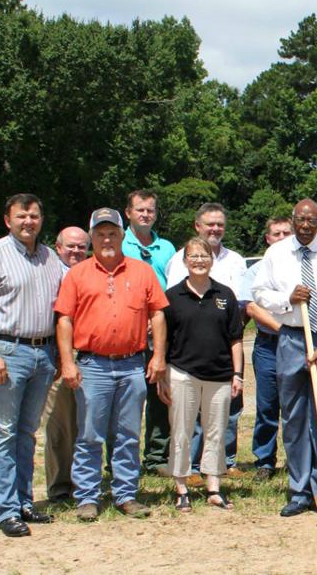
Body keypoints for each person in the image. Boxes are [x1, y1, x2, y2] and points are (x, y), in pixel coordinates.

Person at [55, 207, 169, 521]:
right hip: (93, 366)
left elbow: (158, 314)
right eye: (101, 234)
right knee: (90, 435)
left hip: (132, 365)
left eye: (113, 233)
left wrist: (158, 356)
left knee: (128, 434)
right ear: (92, 238)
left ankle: (126, 495)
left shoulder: (142, 271)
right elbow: (64, 320)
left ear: (122, 236)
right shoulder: (77, 275)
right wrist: (68, 363)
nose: (107, 239)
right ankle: (87, 497)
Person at [0, 194, 65, 537]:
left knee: (27, 432)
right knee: (4, 431)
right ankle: (5, 510)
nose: (28, 221)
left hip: (43, 354)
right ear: (8, 220)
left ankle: (24, 502)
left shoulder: (50, 258)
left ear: (41, 220)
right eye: (21, 216)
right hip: (7, 352)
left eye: (34, 216)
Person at [252, 199, 317, 518]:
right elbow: (259, 293)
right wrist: (288, 299)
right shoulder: (276, 253)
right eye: (300, 220)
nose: (306, 226)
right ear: (293, 221)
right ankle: (299, 490)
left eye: (312, 220)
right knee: (294, 417)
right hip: (292, 337)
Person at [165, 203, 249, 479]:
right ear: (197, 225)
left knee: (223, 417)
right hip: (187, 357)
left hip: (223, 351)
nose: (215, 229)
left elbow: (242, 305)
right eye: (210, 224)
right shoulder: (178, 260)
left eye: (220, 224)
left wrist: (235, 365)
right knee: (188, 420)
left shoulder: (236, 260)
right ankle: (188, 468)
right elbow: (172, 310)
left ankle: (224, 465)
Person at [120, 189, 177, 476]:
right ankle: (120, 460)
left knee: (159, 395)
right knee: (126, 399)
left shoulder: (167, 248)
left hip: (161, 332)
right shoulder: (118, 243)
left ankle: (157, 457)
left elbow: (174, 286)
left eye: (150, 210)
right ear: (128, 212)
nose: (145, 215)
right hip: (127, 333)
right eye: (140, 209)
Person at [236, 216, 293, 481]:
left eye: (286, 233)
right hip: (269, 345)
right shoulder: (256, 270)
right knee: (267, 405)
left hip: (298, 344)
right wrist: (283, 329)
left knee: (296, 405)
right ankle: (265, 461)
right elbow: (251, 306)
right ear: (268, 238)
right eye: (276, 234)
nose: (281, 238)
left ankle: (297, 458)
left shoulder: (301, 266)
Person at [42, 226, 88, 504]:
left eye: (81, 246)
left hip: (92, 357)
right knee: (61, 425)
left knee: (87, 425)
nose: (76, 251)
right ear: (58, 247)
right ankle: (60, 486)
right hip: (59, 357)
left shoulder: (92, 273)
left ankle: (86, 483)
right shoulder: (49, 274)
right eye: (70, 246)